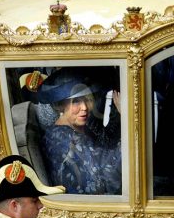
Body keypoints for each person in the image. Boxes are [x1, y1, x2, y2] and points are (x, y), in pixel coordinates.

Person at [40, 67, 121, 195]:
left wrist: (119, 114)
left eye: (87, 99)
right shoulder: (64, 138)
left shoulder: (76, 128)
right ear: (61, 105)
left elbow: (105, 144)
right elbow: (107, 180)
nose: (84, 107)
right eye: (76, 101)